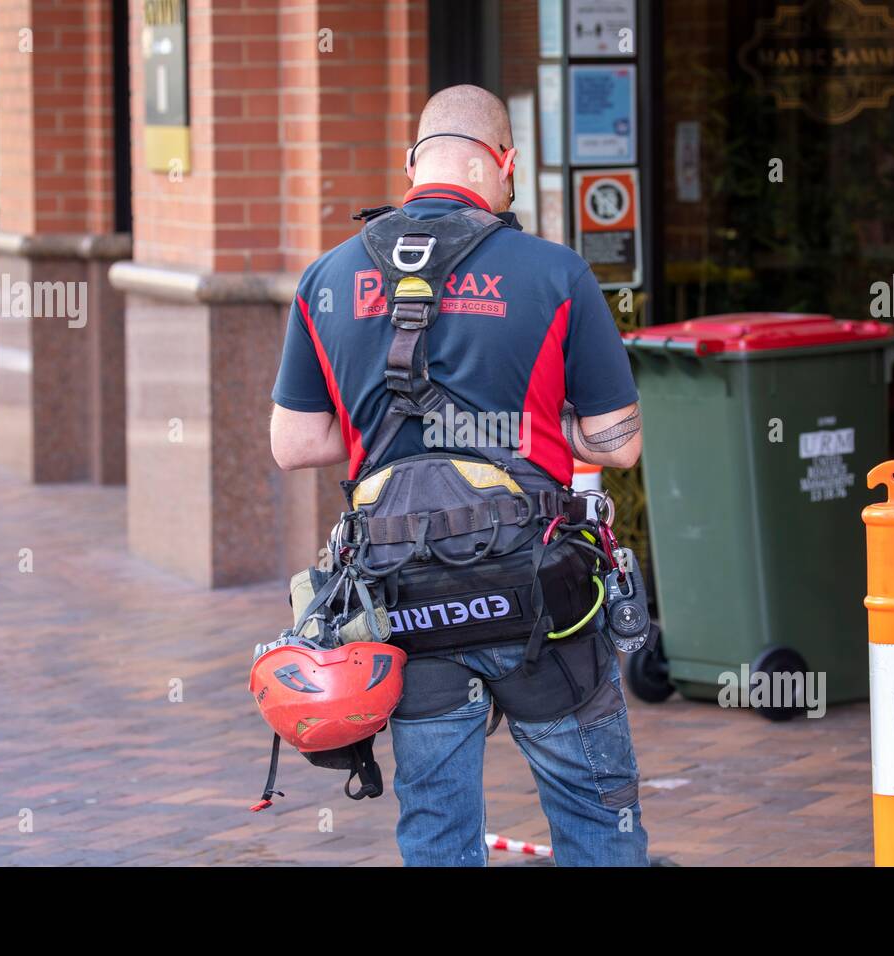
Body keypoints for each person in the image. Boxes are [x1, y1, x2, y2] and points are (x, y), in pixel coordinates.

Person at [269, 84, 647, 866]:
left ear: (413, 164)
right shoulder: (555, 272)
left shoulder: (328, 277)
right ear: (503, 163)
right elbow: (618, 444)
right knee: (591, 809)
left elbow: (295, 443)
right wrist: (537, 428)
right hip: (540, 597)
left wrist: (397, 427)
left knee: (438, 830)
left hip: (404, 596)